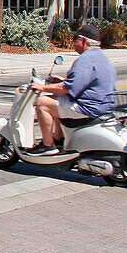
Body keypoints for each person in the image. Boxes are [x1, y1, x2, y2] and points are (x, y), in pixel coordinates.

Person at [27, 24, 117, 155]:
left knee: (42, 103)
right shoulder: (101, 57)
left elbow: (66, 89)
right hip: (102, 104)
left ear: (84, 41)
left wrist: (41, 87)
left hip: (88, 107)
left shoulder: (85, 59)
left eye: (75, 38)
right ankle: (59, 139)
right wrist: (64, 80)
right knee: (57, 100)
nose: (73, 42)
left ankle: (47, 145)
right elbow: (85, 82)